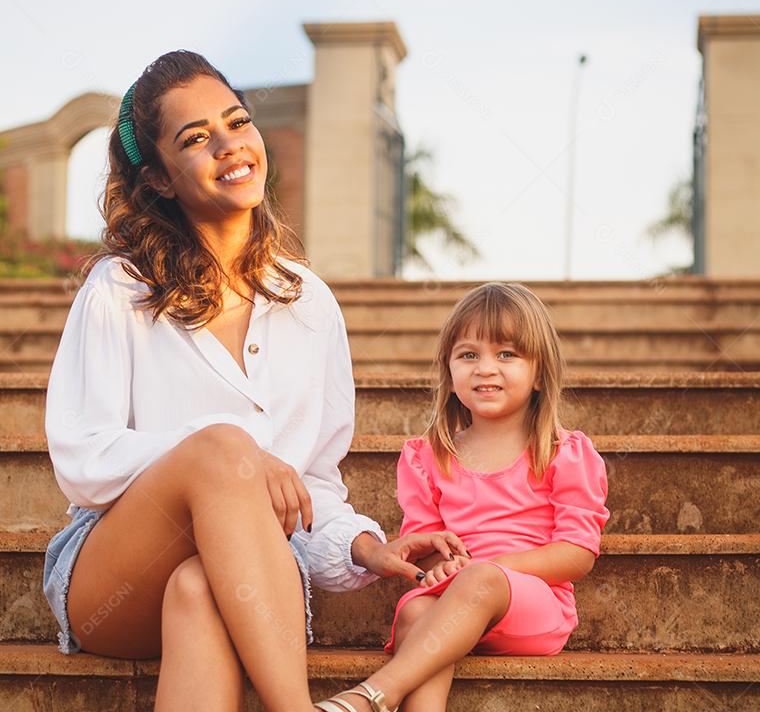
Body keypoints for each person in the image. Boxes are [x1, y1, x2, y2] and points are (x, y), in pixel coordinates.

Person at [40, 50, 466, 712]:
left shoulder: (311, 304)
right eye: (195, 138)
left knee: (200, 589)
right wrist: (216, 453)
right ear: (157, 178)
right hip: (112, 576)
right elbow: (83, 460)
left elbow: (311, 486)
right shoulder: (119, 290)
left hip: (251, 574)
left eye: (236, 122)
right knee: (224, 446)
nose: (228, 146)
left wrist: (363, 546)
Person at [314, 282, 610, 712]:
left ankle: (371, 695)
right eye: (469, 355)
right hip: (451, 598)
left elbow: (576, 554)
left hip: (531, 604)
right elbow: (424, 548)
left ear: (540, 373)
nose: (485, 368)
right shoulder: (427, 457)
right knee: (416, 612)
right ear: (449, 374)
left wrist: (482, 569)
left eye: (507, 354)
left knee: (479, 581)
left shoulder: (564, 452)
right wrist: (441, 569)